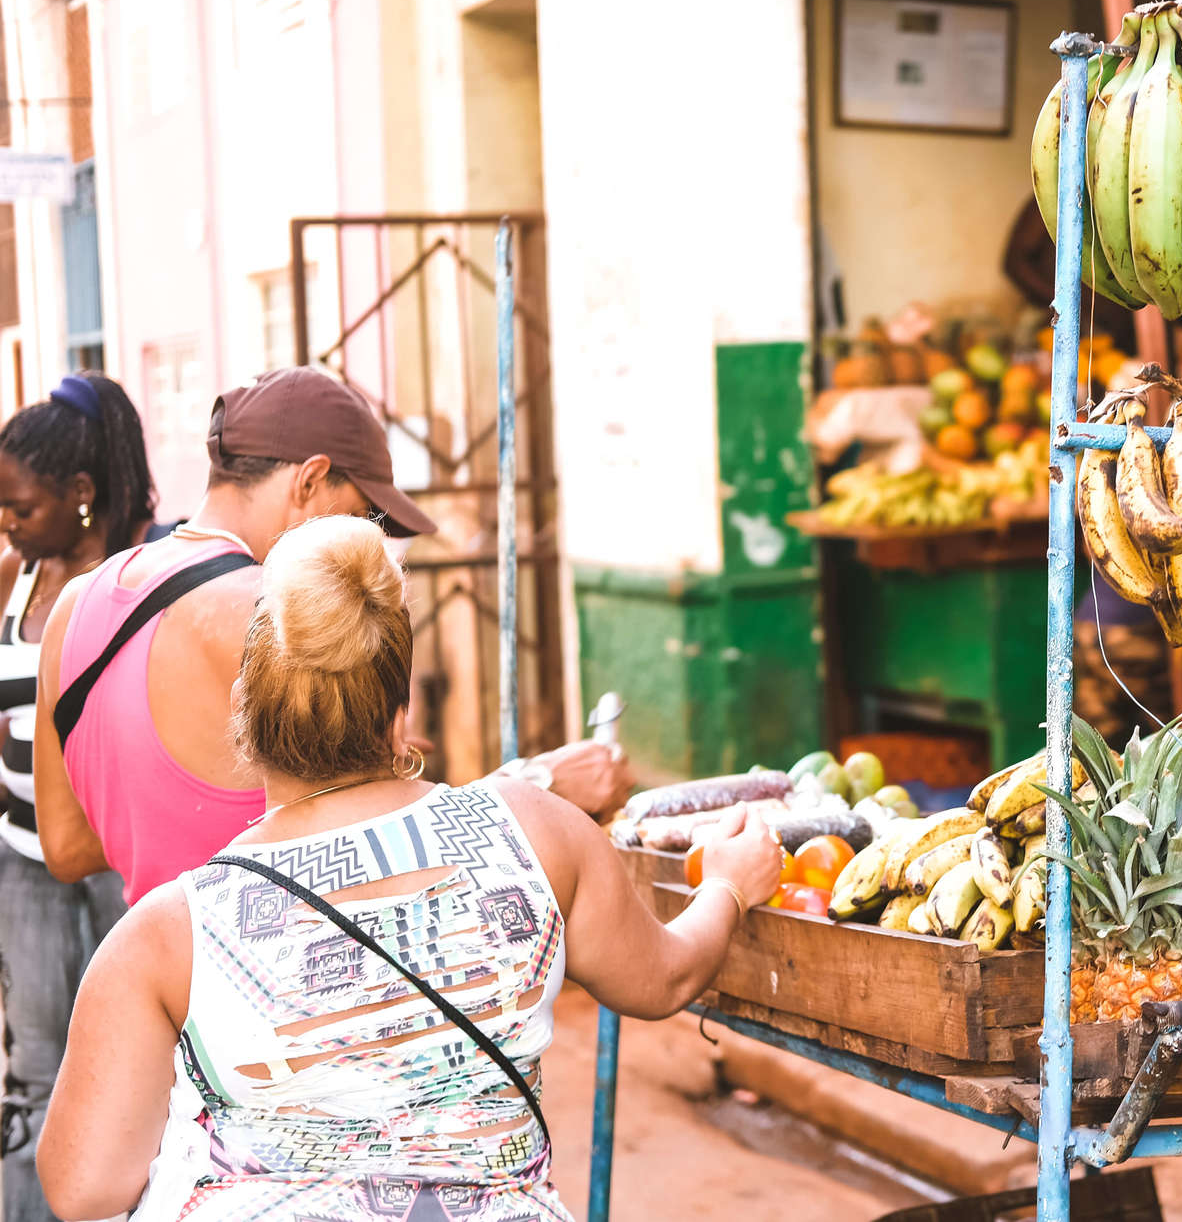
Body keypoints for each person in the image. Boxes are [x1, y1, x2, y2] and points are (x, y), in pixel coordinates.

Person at [37, 517, 786, 1219]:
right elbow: (665, 978)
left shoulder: (169, 934)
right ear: (399, 712)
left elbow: (82, 1186)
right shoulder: (533, 827)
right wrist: (725, 883)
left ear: (244, 707)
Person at [32, 366, 631, 909]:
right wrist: (542, 782)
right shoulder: (278, 614)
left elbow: (65, 847)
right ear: (311, 480)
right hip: (288, 995)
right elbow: (387, 841)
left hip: (171, 1001)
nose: (370, 537)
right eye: (363, 512)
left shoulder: (72, 607)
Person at [0, 373, 168, 1222]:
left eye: (20, 507)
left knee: (139, 1067)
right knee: (35, 1070)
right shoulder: (15, 580)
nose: (8, 524)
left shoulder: (142, 578)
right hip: (24, 864)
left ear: (80, 493)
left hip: (119, 865)